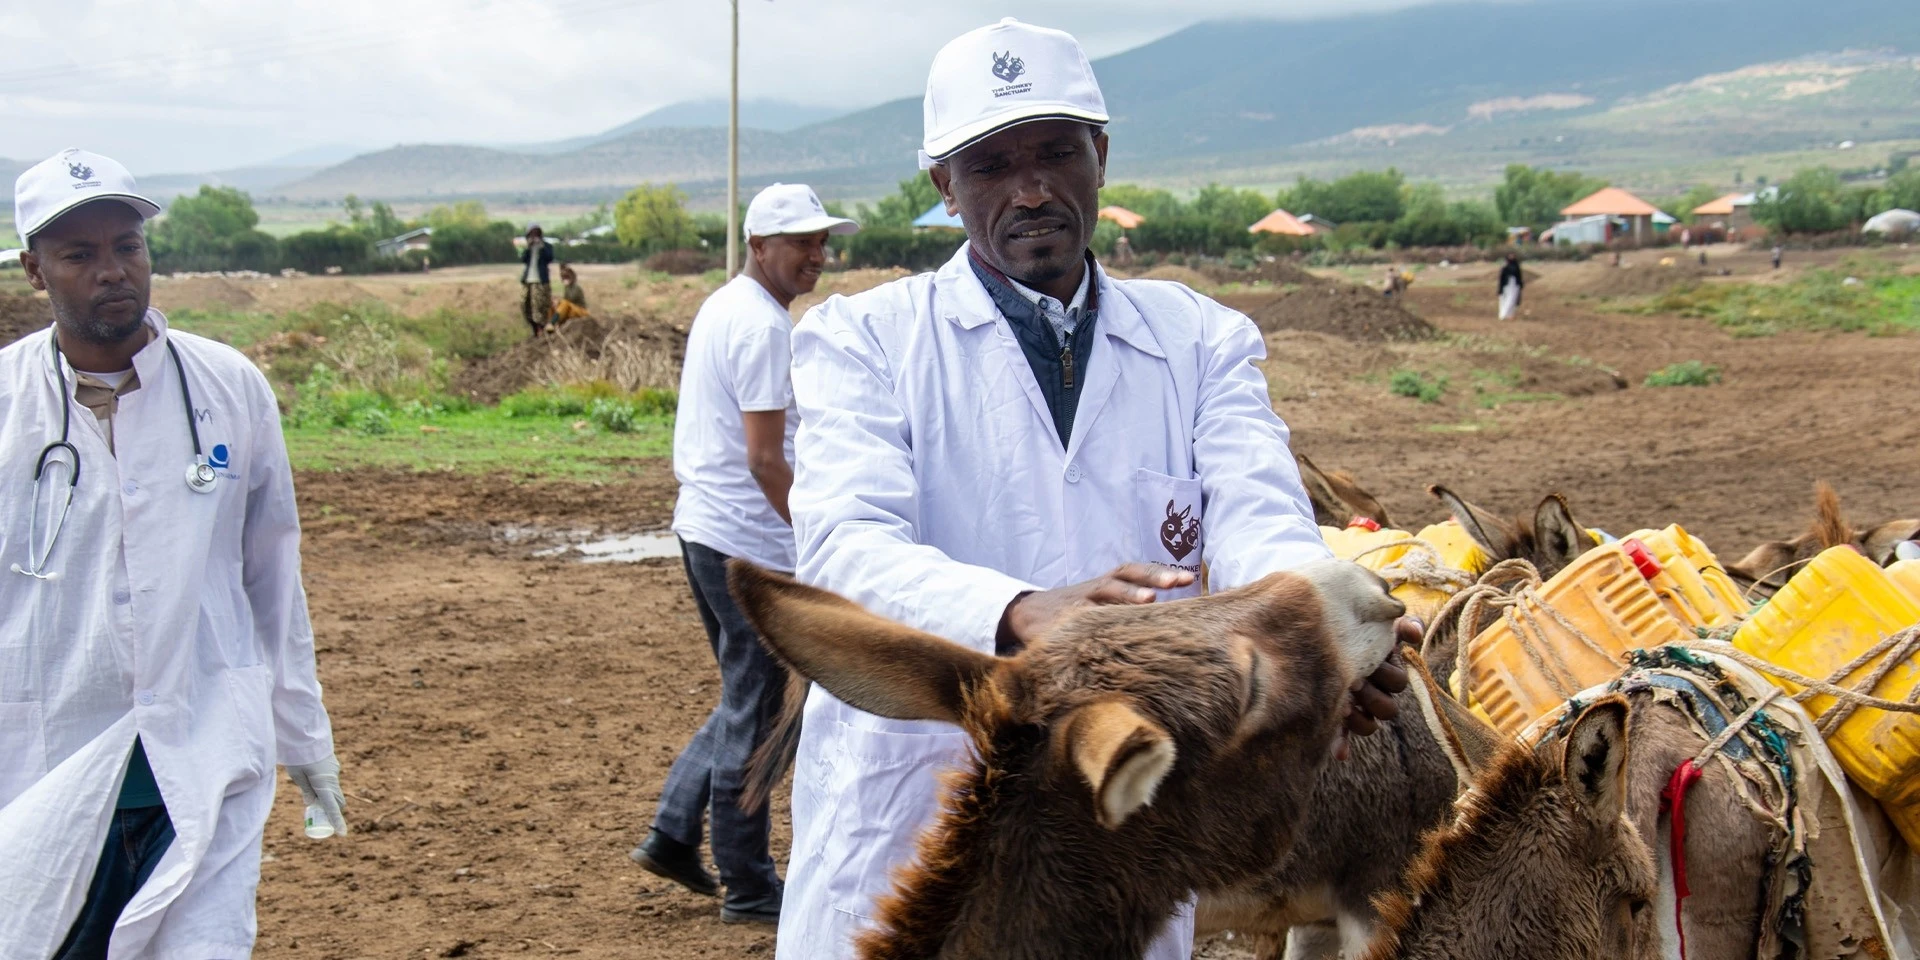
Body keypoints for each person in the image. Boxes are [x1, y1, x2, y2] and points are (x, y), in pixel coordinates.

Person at [778, 19, 1412, 959]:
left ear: (1100, 157)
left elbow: (1259, 515)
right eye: (993, 164)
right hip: (914, 812)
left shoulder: (1201, 341)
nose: (1032, 188)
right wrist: (1019, 612)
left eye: (1056, 152)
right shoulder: (862, 340)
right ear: (945, 186)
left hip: (1127, 827)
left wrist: (1317, 629)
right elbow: (845, 550)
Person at [0, 149, 345, 958]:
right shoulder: (6, 402)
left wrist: (306, 740)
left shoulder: (227, 387)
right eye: (79, 254)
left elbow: (272, 575)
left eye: (127, 246)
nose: (112, 270)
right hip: (47, 763)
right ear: (34, 271)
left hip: (204, 747)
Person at [629, 182, 858, 926]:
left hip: (707, 528)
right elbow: (765, 459)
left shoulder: (727, 304)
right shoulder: (763, 327)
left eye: (822, 242)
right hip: (748, 543)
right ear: (759, 245)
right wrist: (815, 539)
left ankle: (673, 832)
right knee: (761, 713)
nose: (817, 255)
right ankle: (750, 884)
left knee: (745, 697)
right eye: (801, 243)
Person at [519, 225, 555, 335]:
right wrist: (528, 248)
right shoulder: (528, 247)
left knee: (539, 306)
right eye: (532, 234)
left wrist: (541, 247)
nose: (534, 236)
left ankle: (542, 329)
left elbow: (550, 258)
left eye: (536, 234)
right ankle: (534, 329)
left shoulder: (546, 246)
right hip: (528, 280)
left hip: (540, 280)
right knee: (525, 305)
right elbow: (523, 259)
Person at [1497, 252, 1524, 320]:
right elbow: (1502, 277)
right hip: (1507, 284)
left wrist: (1520, 284)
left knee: (1513, 299)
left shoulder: (1516, 265)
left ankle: (1510, 315)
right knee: (1508, 299)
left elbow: (1519, 276)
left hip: (1515, 284)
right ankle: (1503, 314)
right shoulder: (1505, 266)